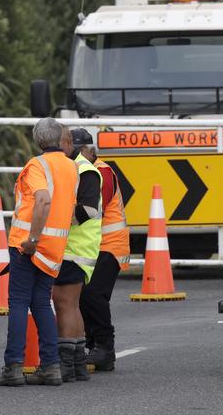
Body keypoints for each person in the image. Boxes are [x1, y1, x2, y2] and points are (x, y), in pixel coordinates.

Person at [0, 118, 78, 387]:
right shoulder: (70, 166)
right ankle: (51, 367)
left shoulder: (37, 165)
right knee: (42, 303)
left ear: (37, 139)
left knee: (18, 303)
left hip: (29, 245)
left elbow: (42, 200)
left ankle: (13, 368)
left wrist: (31, 239)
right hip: (54, 247)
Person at [49, 128, 102, 383]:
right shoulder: (76, 168)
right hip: (75, 248)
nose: (59, 149)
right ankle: (78, 364)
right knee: (71, 305)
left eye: (61, 144)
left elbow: (89, 210)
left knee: (63, 303)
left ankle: (67, 364)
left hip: (75, 249)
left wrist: (56, 217)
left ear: (73, 146)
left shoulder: (85, 170)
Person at [77, 130, 131, 371]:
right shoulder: (85, 170)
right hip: (93, 244)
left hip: (109, 244)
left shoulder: (102, 172)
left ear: (89, 150)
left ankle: (104, 348)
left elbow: (95, 206)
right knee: (82, 295)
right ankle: (92, 346)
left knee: (92, 294)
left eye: (77, 151)